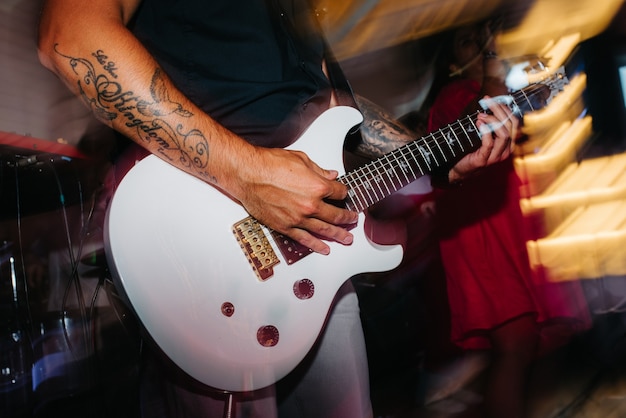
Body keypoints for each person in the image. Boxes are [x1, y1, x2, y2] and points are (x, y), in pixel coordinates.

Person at [37, 1, 518, 416]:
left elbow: (336, 109)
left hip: (316, 253)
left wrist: (438, 156)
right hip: (205, 235)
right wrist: (245, 173)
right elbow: (73, 35)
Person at [423, 20, 590, 417]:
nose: (481, 48)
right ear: (450, 64)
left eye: (482, 39)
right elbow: (486, 122)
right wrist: (496, 57)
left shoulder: (504, 92)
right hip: (482, 236)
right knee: (515, 345)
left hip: (516, 227)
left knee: (544, 341)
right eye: (467, 43)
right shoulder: (453, 97)